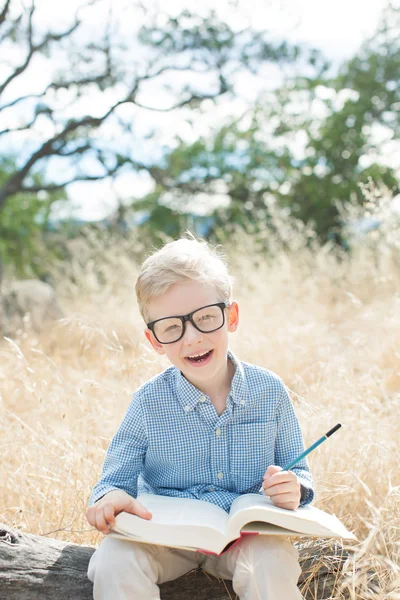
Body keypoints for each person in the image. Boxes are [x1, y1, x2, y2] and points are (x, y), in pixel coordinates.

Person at [86, 236, 314, 600]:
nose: (192, 337)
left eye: (206, 317)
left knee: (272, 560)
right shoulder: (148, 403)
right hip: (164, 538)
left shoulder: (269, 391)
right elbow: (112, 483)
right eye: (171, 327)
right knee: (115, 558)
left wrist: (295, 489)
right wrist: (109, 500)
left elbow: (298, 472)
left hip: (244, 539)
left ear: (231, 316)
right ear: (153, 339)